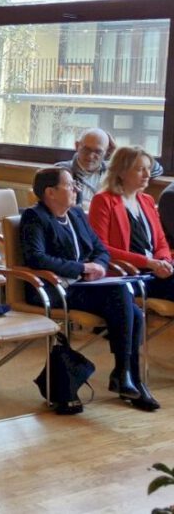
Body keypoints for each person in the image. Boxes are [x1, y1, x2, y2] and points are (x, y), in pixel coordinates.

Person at [21, 167, 156, 411]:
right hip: (55, 288)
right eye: (70, 185)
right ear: (50, 192)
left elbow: (100, 249)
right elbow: (36, 258)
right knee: (122, 297)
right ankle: (126, 376)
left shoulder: (76, 215)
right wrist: (82, 268)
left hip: (86, 286)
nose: (76, 189)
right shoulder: (35, 217)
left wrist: (101, 267)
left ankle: (128, 376)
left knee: (133, 311)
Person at [89, 146, 174, 304]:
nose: (147, 175)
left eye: (148, 169)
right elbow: (101, 248)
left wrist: (164, 262)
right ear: (121, 172)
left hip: (155, 271)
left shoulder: (147, 200)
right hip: (128, 275)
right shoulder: (103, 200)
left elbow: (161, 242)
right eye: (140, 169)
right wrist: (149, 263)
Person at [56, 128, 162, 209]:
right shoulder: (63, 171)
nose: (90, 156)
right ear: (77, 146)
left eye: (98, 152)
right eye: (86, 149)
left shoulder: (112, 170)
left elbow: (156, 169)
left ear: (107, 151)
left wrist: (119, 152)